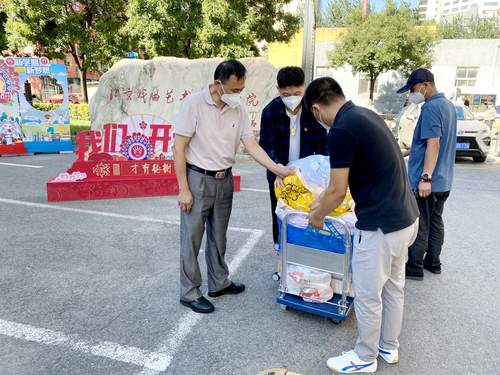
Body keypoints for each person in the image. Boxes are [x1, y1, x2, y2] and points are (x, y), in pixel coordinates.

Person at [305, 77, 419, 373]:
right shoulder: (365, 114)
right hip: (405, 218)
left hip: (380, 227)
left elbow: (336, 190)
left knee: (368, 295)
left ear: (316, 110)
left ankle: (365, 357)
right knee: (394, 288)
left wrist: (317, 216)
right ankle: (388, 347)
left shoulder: (341, 131)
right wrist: (318, 206)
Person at [173, 60, 295, 314]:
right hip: (198, 179)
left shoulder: (237, 110)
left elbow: (252, 146)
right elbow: (179, 148)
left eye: (241, 89)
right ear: (219, 84)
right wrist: (184, 189)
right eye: (235, 89)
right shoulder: (193, 104)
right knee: (192, 238)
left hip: (224, 179)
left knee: (219, 236)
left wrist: (277, 168)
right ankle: (189, 292)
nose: (239, 95)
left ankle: (218, 283)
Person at [396, 68, 457, 280]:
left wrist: (425, 178)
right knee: (435, 221)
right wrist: (406, 152)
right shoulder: (447, 105)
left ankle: (414, 267)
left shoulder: (431, 107)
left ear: (425, 85)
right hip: (444, 180)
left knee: (420, 222)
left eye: (413, 89)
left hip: (429, 181)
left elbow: (434, 144)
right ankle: (433, 262)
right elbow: (430, 142)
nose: (411, 94)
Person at [259, 66, 328, 251]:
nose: (291, 98)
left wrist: (320, 172)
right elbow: (266, 147)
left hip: (308, 174)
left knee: (309, 209)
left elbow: (323, 145)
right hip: (278, 173)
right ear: (278, 89)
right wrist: (278, 169)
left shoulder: (314, 110)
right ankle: (280, 247)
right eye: (285, 94)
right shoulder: (270, 112)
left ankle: (306, 249)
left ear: (304, 86)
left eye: (297, 92)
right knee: (280, 210)